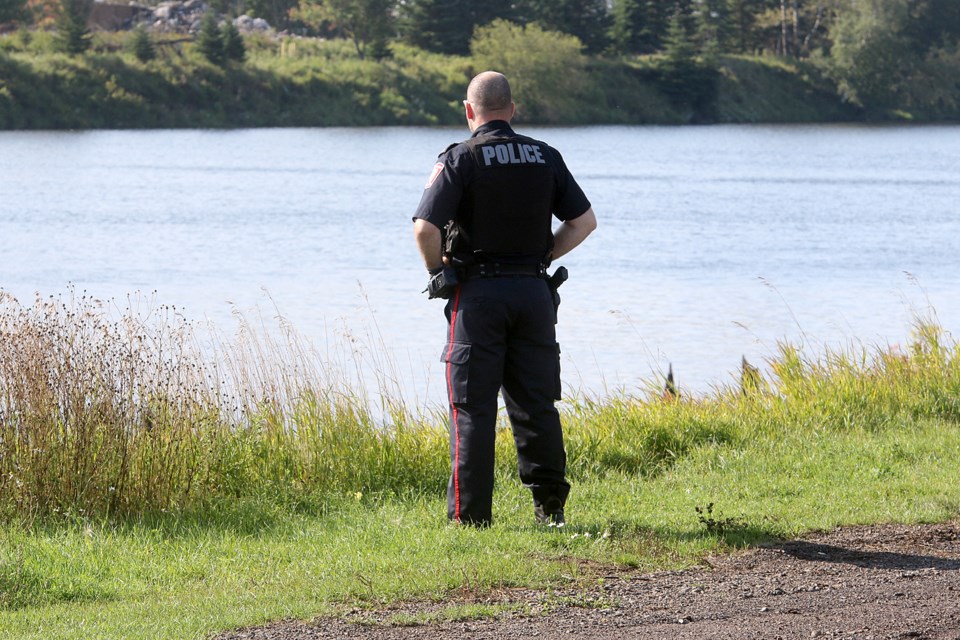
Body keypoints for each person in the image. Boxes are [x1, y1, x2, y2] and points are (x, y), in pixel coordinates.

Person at [412, 71, 597, 527]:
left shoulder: (460, 158)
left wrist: (438, 272)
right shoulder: (545, 156)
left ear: (469, 110)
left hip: (477, 297)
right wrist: (540, 256)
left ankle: (470, 519)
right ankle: (550, 509)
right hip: (534, 293)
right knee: (536, 403)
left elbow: (425, 227)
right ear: (512, 110)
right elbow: (584, 222)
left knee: (472, 408)